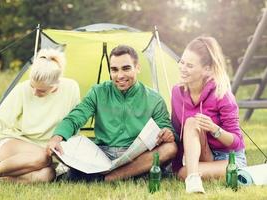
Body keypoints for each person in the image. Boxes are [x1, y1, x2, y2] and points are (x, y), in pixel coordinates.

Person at [47, 45, 178, 181]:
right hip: (102, 155)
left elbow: (167, 129)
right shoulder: (98, 92)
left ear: (137, 67)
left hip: (137, 157)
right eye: (114, 70)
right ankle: (130, 176)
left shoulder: (154, 98)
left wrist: (167, 133)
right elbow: (76, 117)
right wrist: (56, 137)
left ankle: (111, 177)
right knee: (65, 145)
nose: (120, 75)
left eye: (126, 68)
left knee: (170, 148)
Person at [0, 48, 80, 184]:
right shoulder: (22, 89)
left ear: (55, 85)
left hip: (45, 156)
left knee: (47, 175)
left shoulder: (71, 88)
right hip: (13, 145)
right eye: (32, 86)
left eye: (41, 91)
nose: (33, 92)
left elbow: (73, 123)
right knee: (43, 157)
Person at [171, 36, 247, 193]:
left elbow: (236, 142)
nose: (183, 68)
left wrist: (214, 129)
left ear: (207, 69)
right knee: (191, 123)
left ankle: (192, 173)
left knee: (184, 172)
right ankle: (193, 179)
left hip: (229, 158)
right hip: (204, 155)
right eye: (182, 62)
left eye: (190, 65)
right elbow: (177, 132)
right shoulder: (177, 92)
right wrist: (175, 165)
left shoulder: (222, 94)